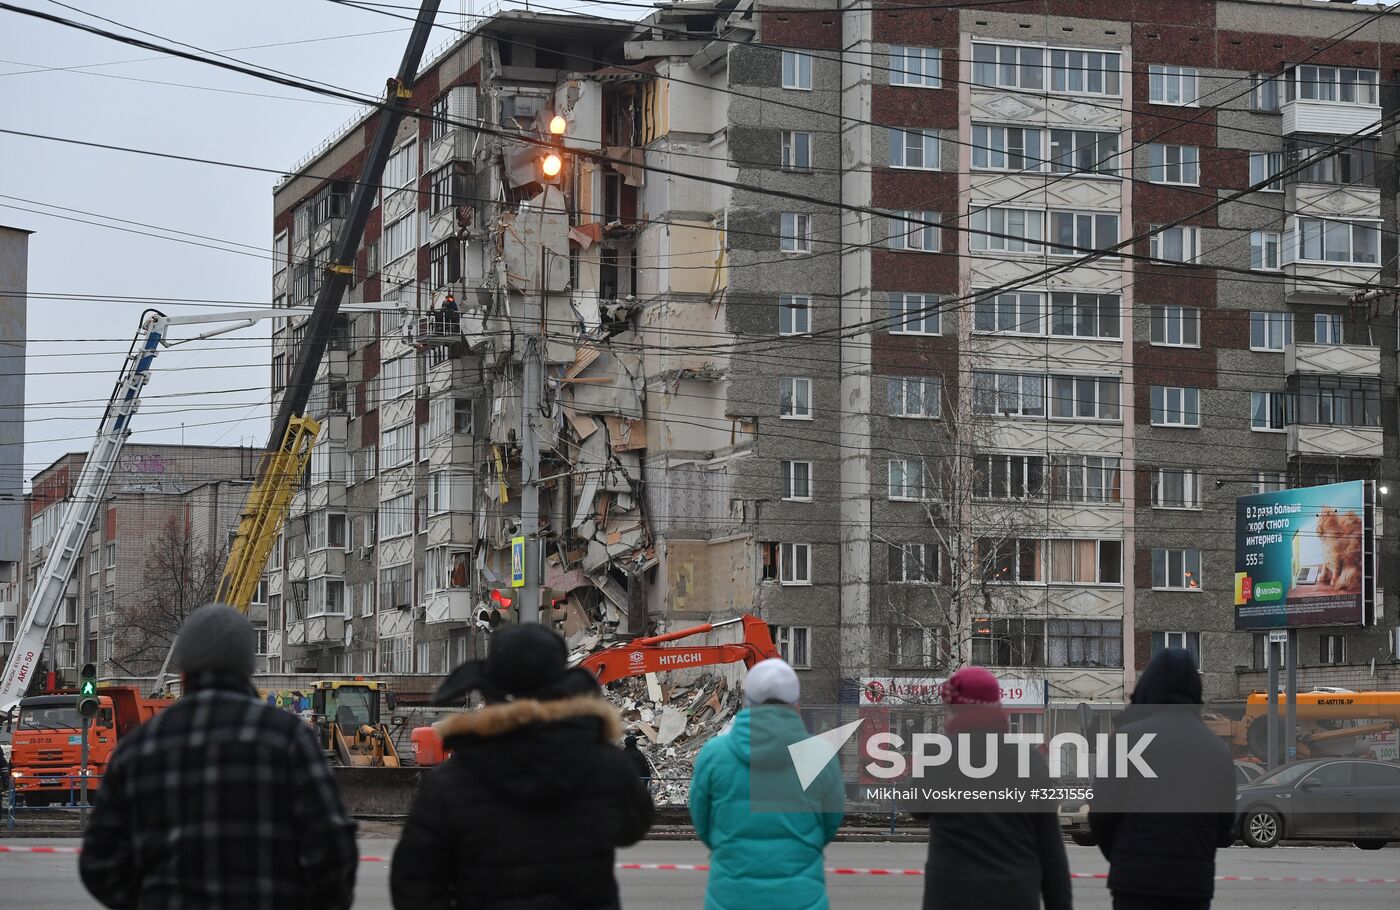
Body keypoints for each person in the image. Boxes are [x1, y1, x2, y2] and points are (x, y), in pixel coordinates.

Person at [79, 604, 358, 910]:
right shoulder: (290, 740)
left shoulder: (137, 750)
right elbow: (334, 851)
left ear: (183, 671)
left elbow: (98, 862)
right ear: (248, 668)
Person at [391, 623, 653, 909]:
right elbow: (633, 828)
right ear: (563, 691)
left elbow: (414, 883)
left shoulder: (450, 781)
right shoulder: (605, 765)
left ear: (489, 693)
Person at [689, 658, 845, 910]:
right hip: (802, 899)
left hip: (730, 899)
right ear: (796, 703)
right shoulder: (820, 756)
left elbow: (703, 824)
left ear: (749, 701)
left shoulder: (714, 755)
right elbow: (829, 825)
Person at [1089, 648, 1236, 910]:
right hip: (1193, 886)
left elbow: (1101, 813)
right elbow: (1224, 829)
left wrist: (1123, 856)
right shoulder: (1218, 749)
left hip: (1134, 883)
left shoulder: (1128, 739)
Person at [920, 666, 1071, 910]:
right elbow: (1050, 847)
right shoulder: (1030, 760)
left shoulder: (937, 755)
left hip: (952, 895)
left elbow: (917, 807)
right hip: (1015, 895)